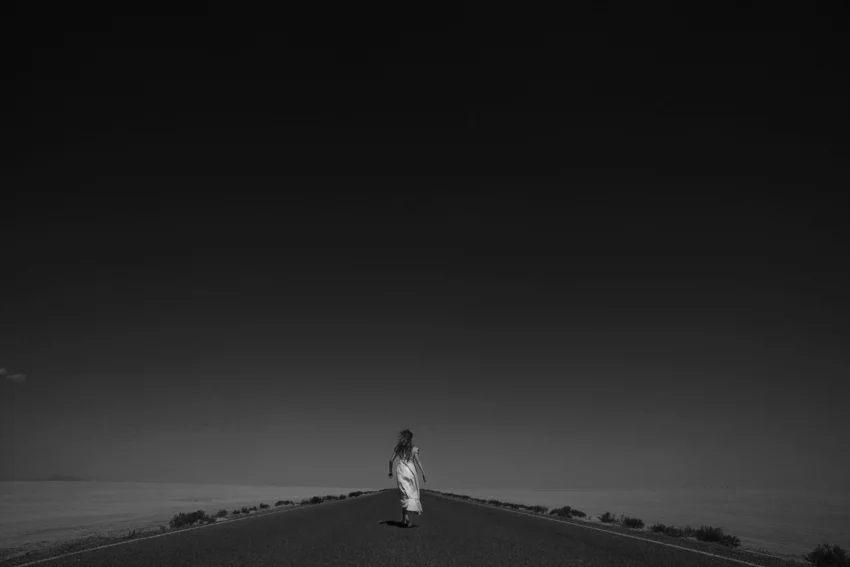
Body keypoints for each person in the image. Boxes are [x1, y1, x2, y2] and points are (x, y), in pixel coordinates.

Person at [388, 428, 426, 527]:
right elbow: (418, 462)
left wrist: (390, 472)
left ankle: (405, 519)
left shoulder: (398, 449)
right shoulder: (413, 449)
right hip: (411, 472)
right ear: (410, 439)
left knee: (404, 495)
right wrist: (423, 473)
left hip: (401, 471)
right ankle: (405, 519)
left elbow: (391, 460)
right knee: (409, 494)